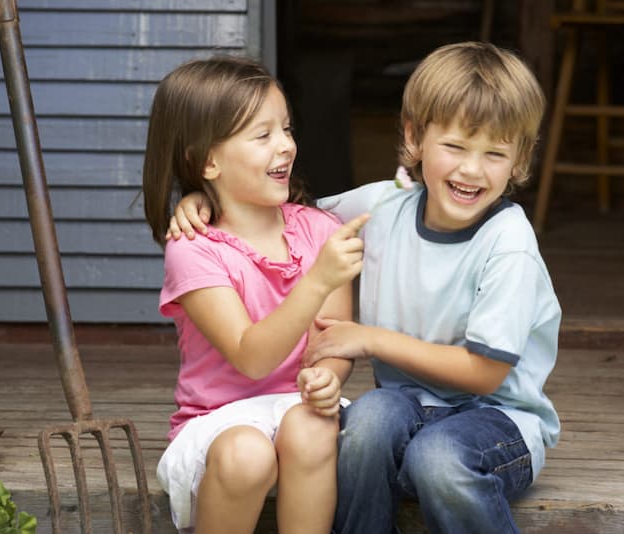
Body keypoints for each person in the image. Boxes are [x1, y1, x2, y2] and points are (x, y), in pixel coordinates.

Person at [170, 41, 561, 534]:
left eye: (495, 153)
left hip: (498, 419)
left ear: (520, 157)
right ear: (415, 137)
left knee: (434, 458)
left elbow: (484, 374)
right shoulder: (385, 205)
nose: (471, 169)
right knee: (364, 424)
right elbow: (281, 217)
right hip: (406, 406)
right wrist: (203, 200)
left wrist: (369, 338)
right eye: (456, 147)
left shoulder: (509, 242)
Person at [142, 56, 369, 534]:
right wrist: (317, 281)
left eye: (285, 129)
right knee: (247, 454)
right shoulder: (195, 250)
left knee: (310, 427)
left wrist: (328, 376)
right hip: (218, 420)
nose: (286, 145)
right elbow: (251, 358)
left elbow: (333, 340)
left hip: (298, 406)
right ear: (207, 160)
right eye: (262, 136)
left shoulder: (319, 232)